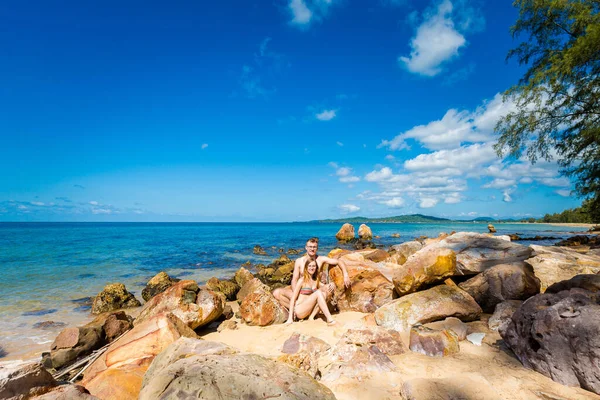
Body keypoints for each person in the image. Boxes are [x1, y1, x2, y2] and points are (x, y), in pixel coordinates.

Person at [273, 237, 351, 310]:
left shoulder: (321, 259)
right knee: (276, 293)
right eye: (310, 247)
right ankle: (295, 309)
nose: (312, 249)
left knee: (329, 290)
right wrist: (296, 294)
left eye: (314, 247)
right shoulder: (299, 261)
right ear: (306, 247)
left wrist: (345, 275)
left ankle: (301, 310)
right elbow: (294, 280)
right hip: (301, 292)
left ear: (317, 248)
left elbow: (338, 261)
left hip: (315, 291)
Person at [285, 259, 336, 325]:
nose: (312, 268)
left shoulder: (316, 280)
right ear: (306, 267)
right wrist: (290, 318)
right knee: (318, 293)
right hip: (300, 310)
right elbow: (293, 298)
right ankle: (330, 319)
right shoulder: (302, 280)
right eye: (310, 266)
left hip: (309, 311)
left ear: (316, 267)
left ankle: (311, 317)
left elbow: (326, 287)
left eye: (313, 266)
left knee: (325, 293)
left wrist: (332, 284)